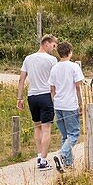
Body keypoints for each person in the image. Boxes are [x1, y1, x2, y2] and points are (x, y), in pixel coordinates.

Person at [18, 34, 59, 171]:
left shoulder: (28, 58)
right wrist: (54, 96)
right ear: (46, 43)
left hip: (32, 96)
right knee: (46, 128)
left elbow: (22, 79)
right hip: (45, 95)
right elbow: (55, 80)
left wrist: (19, 98)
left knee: (37, 127)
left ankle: (38, 155)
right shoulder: (52, 60)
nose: (54, 49)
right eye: (53, 46)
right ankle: (43, 160)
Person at [49, 41, 86, 173]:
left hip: (58, 104)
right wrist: (81, 104)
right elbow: (78, 87)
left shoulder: (55, 68)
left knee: (65, 135)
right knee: (74, 133)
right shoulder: (74, 67)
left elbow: (52, 89)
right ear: (70, 52)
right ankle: (62, 154)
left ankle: (68, 164)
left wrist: (54, 103)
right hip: (70, 105)